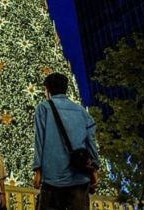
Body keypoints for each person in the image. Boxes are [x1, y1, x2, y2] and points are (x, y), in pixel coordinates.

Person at [33, 72, 99, 210]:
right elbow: (91, 141)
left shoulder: (43, 108)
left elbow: (39, 140)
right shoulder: (81, 111)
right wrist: (95, 168)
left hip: (53, 178)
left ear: (48, 90)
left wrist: (38, 170)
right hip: (79, 177)